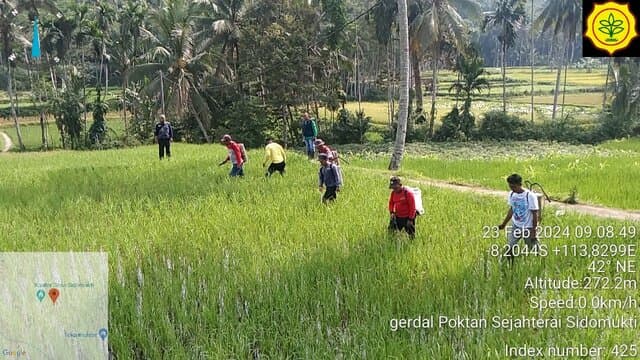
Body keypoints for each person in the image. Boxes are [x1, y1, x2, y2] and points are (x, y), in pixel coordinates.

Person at [498, 173, 540, 260]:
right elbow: (512, 210)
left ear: (519, 184)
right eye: (510, 186)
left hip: (528, 227)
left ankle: (541, 266)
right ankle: (510, 267)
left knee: (535, 250)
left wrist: (534, 232)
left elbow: (535, 214)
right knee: (510, 247)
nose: (512, 189)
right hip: (516, 226)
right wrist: (504, 224)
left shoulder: (530, 196)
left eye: (513, 187)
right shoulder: (512, 194)